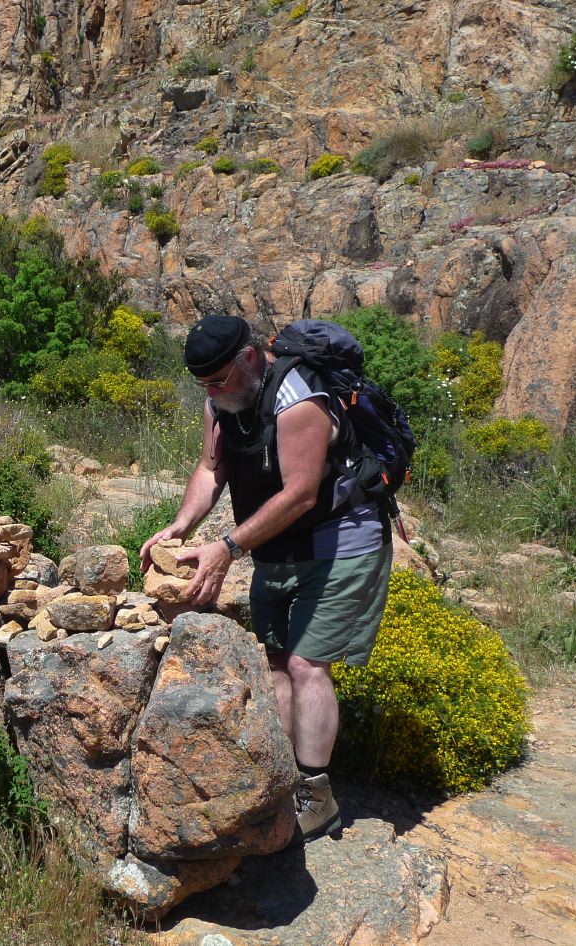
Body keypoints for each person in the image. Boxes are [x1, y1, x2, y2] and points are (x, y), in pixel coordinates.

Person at [139, 314, 393, 843]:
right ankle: (282, 781)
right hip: (275, 546)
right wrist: (181, 524)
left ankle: (316, 799)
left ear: (251, 358)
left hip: (340, 543)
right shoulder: (222, 403)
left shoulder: (298, 403)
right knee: (275, 660)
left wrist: (229, 546)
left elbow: (301, 493)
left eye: (219, 379)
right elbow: (212, 471)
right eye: (203, 384)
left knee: (306, 664)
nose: (211, 392)